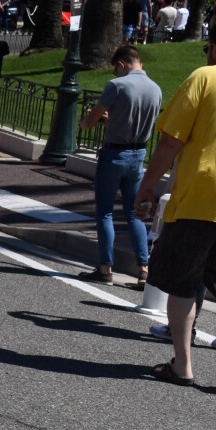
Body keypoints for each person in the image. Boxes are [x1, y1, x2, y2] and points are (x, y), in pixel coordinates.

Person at [135, 22, 216, 385]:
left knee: (183, 282)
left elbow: (171, 142)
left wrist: (147, 187)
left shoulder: (204, 78)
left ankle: (182, 365)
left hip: (200, 197)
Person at [76, 46, 162, 285]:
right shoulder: (156, 89)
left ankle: (105, 268)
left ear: (122, 64)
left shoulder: (117, 85)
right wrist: (112, 122)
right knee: (134, 214)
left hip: (114, 153)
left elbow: (91, 120)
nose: (117, 71)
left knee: (104, 212)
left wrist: (87, 123)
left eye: (117, 67)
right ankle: (144, 268)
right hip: (139, 153)